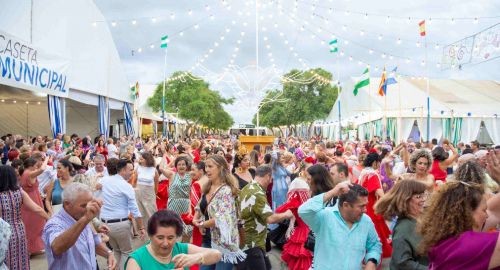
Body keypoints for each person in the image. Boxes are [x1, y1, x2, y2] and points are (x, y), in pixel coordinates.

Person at [299, 183, 382, 269]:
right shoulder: (325, 217)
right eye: (361, 206)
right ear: (346, 205)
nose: (365, 210)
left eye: (365, 205)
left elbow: (374, 245)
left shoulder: (366, 221)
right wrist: (332, 192)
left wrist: (372, 261)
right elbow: (303, 211)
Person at [418, 181, 500, 269]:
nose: (486, 216)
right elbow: (493, 213)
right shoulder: (467, 245)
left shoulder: (447, 241)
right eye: (484, 210)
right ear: (467, 212)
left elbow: (493, 212)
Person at [42, 182, 116, 270]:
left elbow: (94, 243)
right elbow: (57, 247)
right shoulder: (54, 223)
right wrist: (85, 219)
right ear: (67, 204)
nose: (88, 208)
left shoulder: (80, 217)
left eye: (90, 203)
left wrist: (109, 253)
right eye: (83, 205)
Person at [193, 155, 245, 269]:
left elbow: (220, 218)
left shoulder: (226, 190)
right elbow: (200, 205)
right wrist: (195, 218)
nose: (207, 169)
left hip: (224, 244)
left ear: (221, 168)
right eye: (206, 166)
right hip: (207, 240)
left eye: (210, 166)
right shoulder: (208, 186)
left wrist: (202, 224)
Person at [237, 165, 294, 270]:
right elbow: (270, 218)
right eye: (271, 178)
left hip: (248, 242)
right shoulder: (257, 193)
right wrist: (287, 214)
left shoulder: (247, 188)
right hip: (253, 244)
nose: (271, 181)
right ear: (268, 176)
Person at [125, 210, 222, 270]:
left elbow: (217, 254)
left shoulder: (181, 249)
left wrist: (197, 258)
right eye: (160, 238)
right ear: (150, 235)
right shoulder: (136, 259)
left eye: (171, 238)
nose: (166, 243)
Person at [99, 158, 145, 269]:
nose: (132, 173)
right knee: (127, 252)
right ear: (123, 170)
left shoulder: (103, 181)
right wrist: (141, 228)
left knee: (117, 251)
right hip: (119, 225)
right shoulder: (126, 186)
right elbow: (135, 210)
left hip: (105, 224)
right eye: (131, 170)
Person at [0, 165, 49, 270]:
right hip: (19, 230)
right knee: (21, 257)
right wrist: (49, 218)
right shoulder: (20, 192)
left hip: (3, 232)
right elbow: (37, 209)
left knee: (5, 258)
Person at [374, 180, 429, 269]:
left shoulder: (420, 220)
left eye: (424, 195)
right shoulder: (403, 228)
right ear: (405, 200)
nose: (423, 199)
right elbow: (402, 263)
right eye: (418, 196)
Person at [275, 168, 312, 270]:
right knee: (303, 251)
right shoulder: (302, 194)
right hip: (305, 226)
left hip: (302, 226)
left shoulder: (296, 198)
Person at [358, 152, 392, 260]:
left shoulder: (363, 172)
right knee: (375, 236)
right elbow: (380, 192)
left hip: (362, 206)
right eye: (378, 162)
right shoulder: (373, 174)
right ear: (374, 163)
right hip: (371, 207)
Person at [19, 156, 49, 255]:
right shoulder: (29, 173)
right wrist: (47, 158)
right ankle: (29, 250)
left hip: (33, 199)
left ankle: (33, 249)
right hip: (31, 201)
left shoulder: (25, 173)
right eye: (36, 165)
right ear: (31, 166)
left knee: (34, 225)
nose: (37, 167)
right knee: (34, 225)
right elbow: (42, 169)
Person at [161, 156, 193, 240]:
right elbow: (161, 168)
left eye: (183, 164)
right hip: (173, 203)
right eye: (179, 164)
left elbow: (198, 169)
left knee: (187, 229)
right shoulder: (172, 174)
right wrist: (170, 160)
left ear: (186, 166)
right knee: (172, 227)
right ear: (176, 166)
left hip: (185, 203)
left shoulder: (190, 175)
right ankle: (172, 247)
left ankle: (184, 248)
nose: (181, 166)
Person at [135, 152, 159, 226]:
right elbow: (134, 180)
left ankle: (153, 231)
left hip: (149, 194)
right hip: (138, 194)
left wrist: (155, 194)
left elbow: (156, 184)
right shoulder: (138, 167)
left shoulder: (153, 170)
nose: (140, 159)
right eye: (140, 158)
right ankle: (143, 233)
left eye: (142, 158)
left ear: (147, 159)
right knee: (141, 213)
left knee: (151, 212)